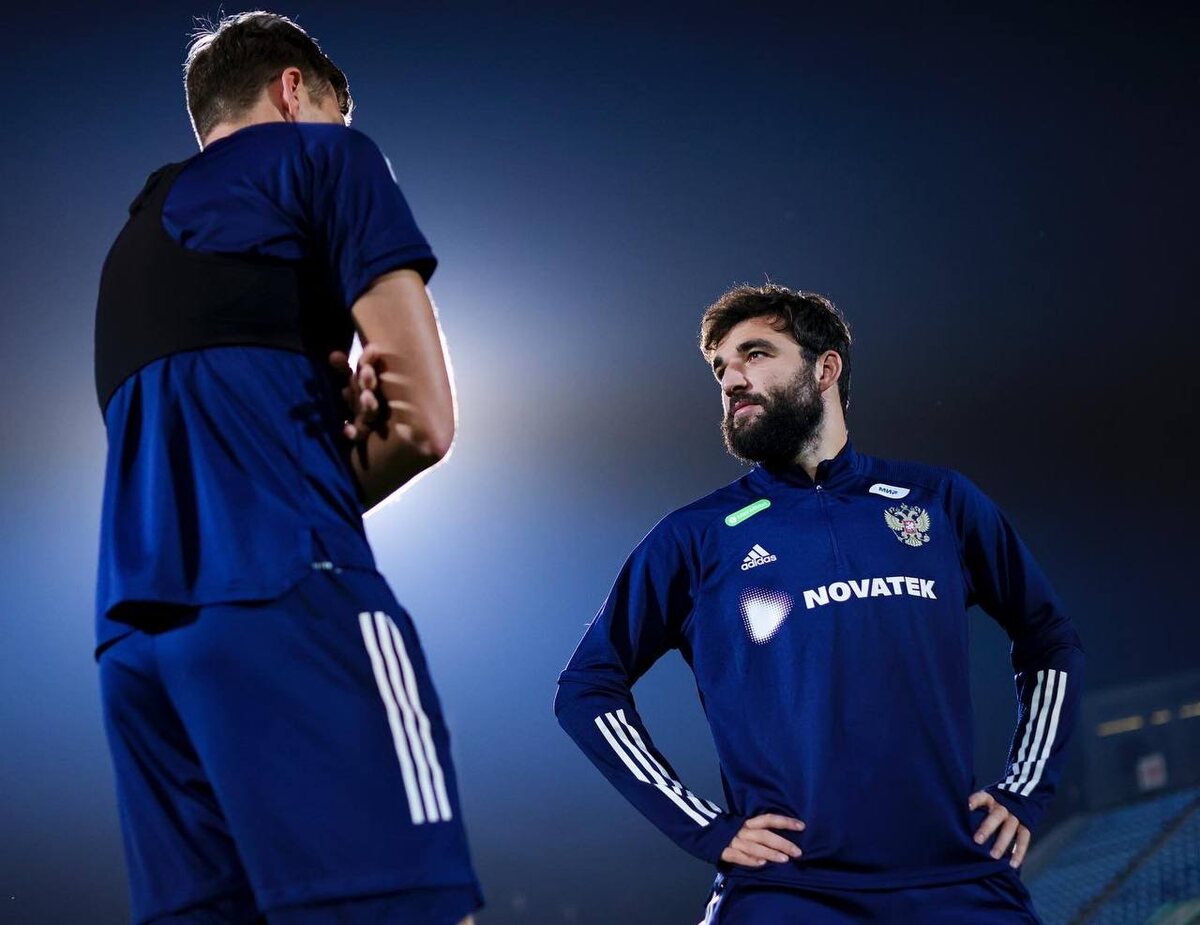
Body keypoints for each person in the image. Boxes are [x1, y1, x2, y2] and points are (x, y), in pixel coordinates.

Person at [93, 12, 480, 924]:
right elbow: (425, 425)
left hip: (134, 646)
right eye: (337, 115)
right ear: (294, 90)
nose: (342, 134)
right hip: (290, 593)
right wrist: (338, 458)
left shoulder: (131, 241)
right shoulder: (327, 159)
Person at [554, 284, 1084, 923]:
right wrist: (703, 826)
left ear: (825, 369)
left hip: (958, 879)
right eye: (721, 368)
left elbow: (1048, 638)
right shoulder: (696, 536)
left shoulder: (939, 501)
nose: (732, 379)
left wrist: (1025, 788)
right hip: (787, 891)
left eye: (755, 354)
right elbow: (587, 687)